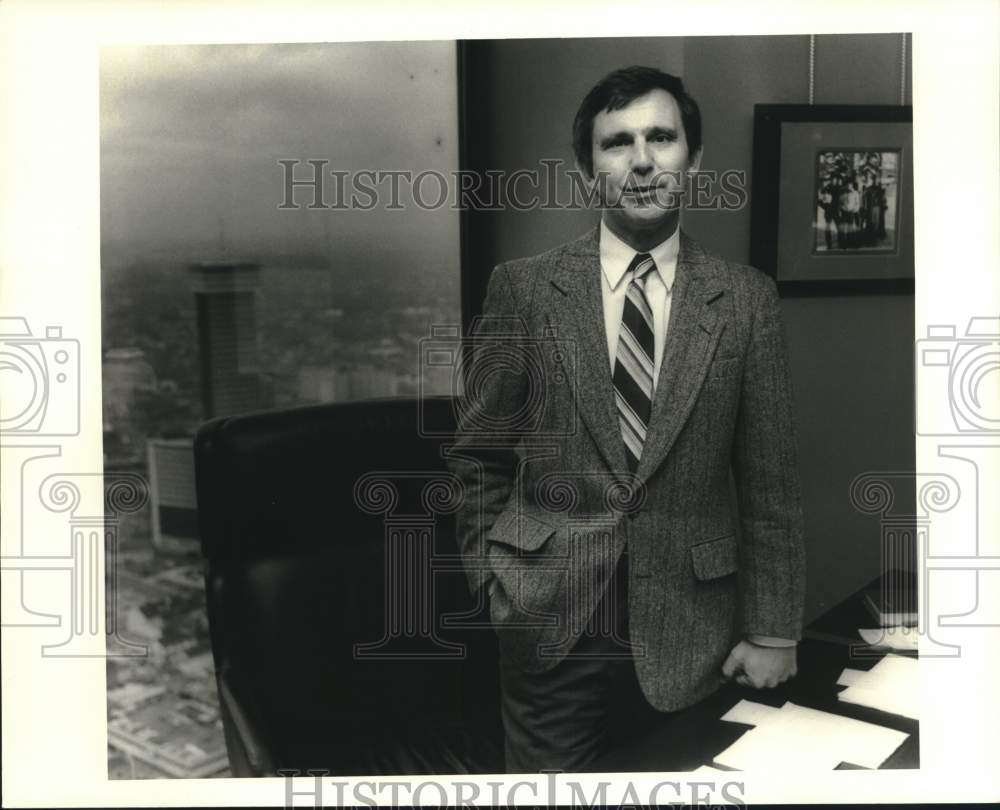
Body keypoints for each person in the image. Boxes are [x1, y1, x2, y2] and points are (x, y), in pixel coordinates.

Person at [446, 66, 805, 773]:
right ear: (589, 170)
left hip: (694, 633)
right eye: (617, 143)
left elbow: (772, 486)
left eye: (661, 138)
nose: (641, 160)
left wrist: (774, 631)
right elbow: (477, 455)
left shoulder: (746, 302)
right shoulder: (522, 290)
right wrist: (495, 587)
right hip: (547, 624)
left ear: (693, 160)